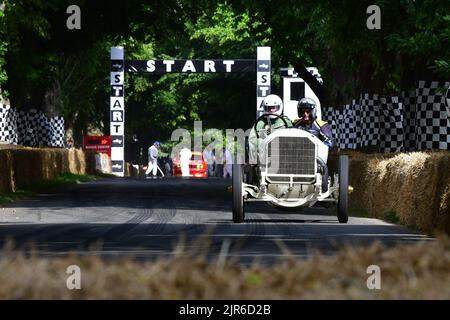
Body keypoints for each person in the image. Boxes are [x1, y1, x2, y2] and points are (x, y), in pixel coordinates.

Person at [294, 97, 335, 192]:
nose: (305, 114)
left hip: (315, 156)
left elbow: (331, 141)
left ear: (313, 111)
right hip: (296, 154)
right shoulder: (295, 123)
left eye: (308, 112)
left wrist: (325, 141)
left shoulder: (321, 125)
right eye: (303, 112)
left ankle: (324, 190)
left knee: (323, 166)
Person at [248, 94, 293, 165]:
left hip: (283, 156)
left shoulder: (287, 122)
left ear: (279, 106)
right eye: (268, 108)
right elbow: (252, 141)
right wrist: (253, 162)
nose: (271, 110)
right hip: (264, 158)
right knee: (259, 140)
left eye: (273, 107)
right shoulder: (259, 123)